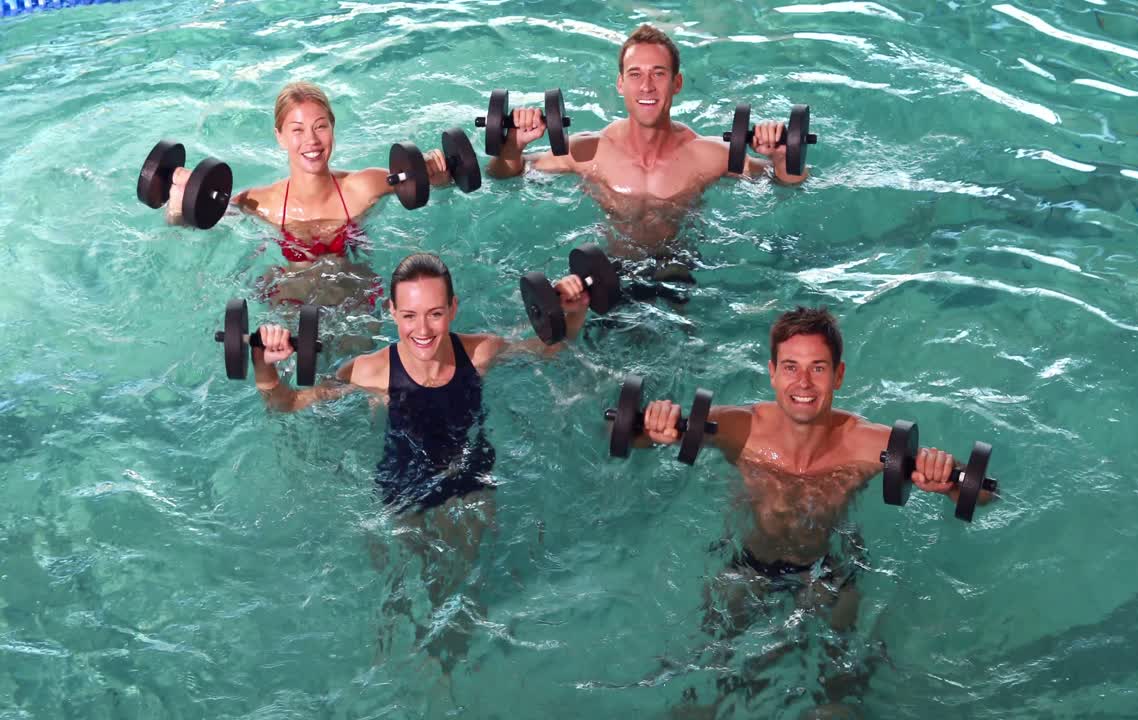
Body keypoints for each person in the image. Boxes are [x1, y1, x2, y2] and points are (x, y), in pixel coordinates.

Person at [633, 306, 996, 712]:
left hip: (829, 572)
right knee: (705, 679)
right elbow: (634, 436)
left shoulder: (866, 443)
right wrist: (655, 425)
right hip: (748, 565)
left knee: (838, 694)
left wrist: (945, 475)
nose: (803, 382)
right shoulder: (737, 428)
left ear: (838, 375)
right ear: (772, 372)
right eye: (790, 367)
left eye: (818, 368)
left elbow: (981, 494)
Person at [250, 251, 589, 671]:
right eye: (409, 315)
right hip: (402, 487)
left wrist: (573, 313)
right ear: (391, 312)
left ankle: (452, 668)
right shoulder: (368, 371)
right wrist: (264, 366)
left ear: (453, 309)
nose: (422, 329)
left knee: (461, 590)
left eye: (434, 314)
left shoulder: (481, 352)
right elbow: (287, 403)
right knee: (401, 593)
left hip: (470, 480)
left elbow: (548, 349)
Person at [486, 25, 810, 286]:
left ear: (676, 83)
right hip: (609, 273)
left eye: (658, 73)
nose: (646, 86)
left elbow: (786, 184)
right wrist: (513, 144)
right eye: (635, 74)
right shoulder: (590, 151)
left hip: (679, 269)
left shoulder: (706, 155)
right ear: (620, 83)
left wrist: (781, 156)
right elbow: (504, 174)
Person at [166, 82, 456, 311]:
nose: (312, 141)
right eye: (297, 130)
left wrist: (441, 176)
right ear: (279, 136)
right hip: (291, 304)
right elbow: (196, 222)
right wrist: (177, 209)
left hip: (355, 302)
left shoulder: (365, 186)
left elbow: (424, 184)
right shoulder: (259, 202)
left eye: (320, 126)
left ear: (332, 127)